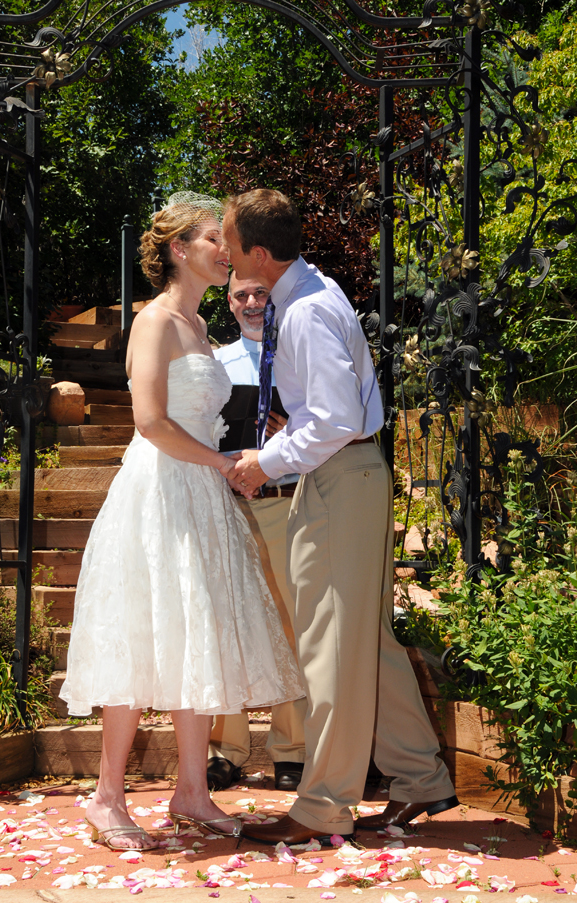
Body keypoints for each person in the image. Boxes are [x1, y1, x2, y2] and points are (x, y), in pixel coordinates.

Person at [59, 192, 303, 852]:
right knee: (143, 637)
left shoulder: (202, 329)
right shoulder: (156, 322)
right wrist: (224, 463)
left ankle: (191, 791)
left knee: (197, 637)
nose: (226, 251)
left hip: (201, 492)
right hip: (160, 492)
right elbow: (149, 422)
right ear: (178, 250)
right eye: (211, 240)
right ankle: (106, 797)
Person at [222, 189, 457, 845]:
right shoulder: (311, 291)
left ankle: (324, 803)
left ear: (259, 254)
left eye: (231, 241)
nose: (228, 253)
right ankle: (420, 778)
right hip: (350, 475)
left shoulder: (302, 314)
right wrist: (288, 435)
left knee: (328, 647)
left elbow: (335, 420)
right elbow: (329, 414)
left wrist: (265, 461)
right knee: (366, 643)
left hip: (338, 477)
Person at [208, 272, 307, 793]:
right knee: (229, 624)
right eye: (240, 295)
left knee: (291, 624)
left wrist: (285, 435)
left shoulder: (297, 357)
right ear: (228, 303)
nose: (251, 303)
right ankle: (227, 749)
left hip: (284, 503)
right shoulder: (214, 365)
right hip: (227, 506)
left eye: (260, 293)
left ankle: (291, 748)